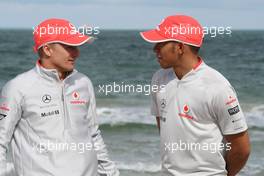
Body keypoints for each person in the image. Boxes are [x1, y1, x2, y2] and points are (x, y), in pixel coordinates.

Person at [0, 18, 119, 176]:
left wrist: (111, 173)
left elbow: (93, 134)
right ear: (48, 50)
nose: (76, 53)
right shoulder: (18, 88)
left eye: (76, 46)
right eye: (69, 46)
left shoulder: (83, 83)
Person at [140, 15, 250, 176]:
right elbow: (164, 128)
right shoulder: (159, 78)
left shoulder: (217, 86)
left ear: (180, 47)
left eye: (161, 43)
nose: (154, 49)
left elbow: (241, 147)